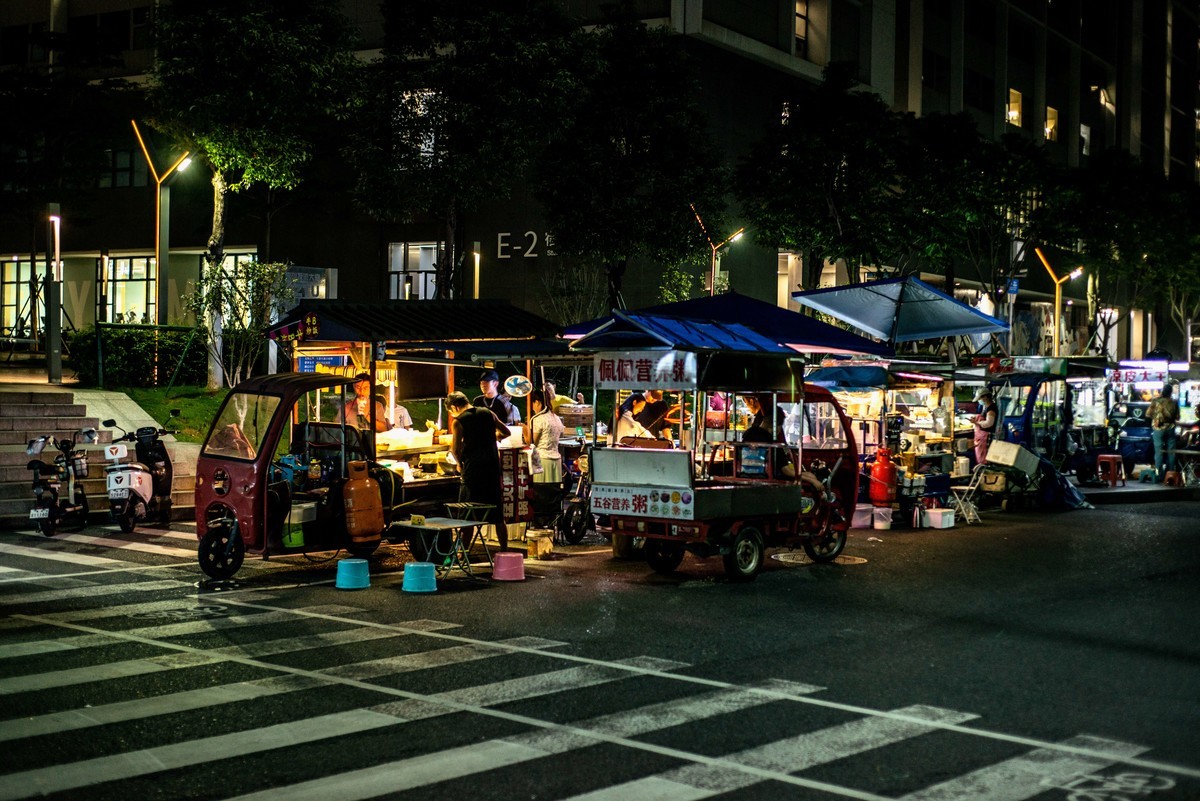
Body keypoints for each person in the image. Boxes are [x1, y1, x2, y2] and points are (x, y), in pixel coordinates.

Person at [446, 391, 512, 551]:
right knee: (497, 516)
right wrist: (491, 437)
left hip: (472, 471)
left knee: (467, 515)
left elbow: (455, 450)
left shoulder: (459, 422)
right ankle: (504, 551)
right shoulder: (488, 413)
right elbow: (506, 432)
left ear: (454, 407)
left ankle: (464, 553)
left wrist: (459, 464)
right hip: (492, 469)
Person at [528, 390, 565, 482]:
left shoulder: (538, 419)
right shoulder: (556, 418)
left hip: (542, 461)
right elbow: (561, 435)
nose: (532, 407)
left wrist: (525, 430)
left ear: (537, 402)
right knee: (554, 492)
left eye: (532, 404)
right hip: (556, 461)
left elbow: (532, 443)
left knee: (541, 492)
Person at [1148, 383, 1180, 482]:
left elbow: (1148, 414)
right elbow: (1178, 417)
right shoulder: (1174, 402)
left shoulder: (1156, 401)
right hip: (1170, 429)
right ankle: (1170, 476)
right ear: (1170, 392)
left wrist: (1157, 417)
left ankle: (1158, 475)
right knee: (1171, 452)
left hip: (1158, 429)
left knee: (1159, 452)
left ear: (1162, 391)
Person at [972, 388, 998, 466]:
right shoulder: (986, 407)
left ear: (985, 397)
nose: (979, 400)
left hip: (986, 436)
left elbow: (989, 423)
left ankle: (985, 472)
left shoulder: (991, 408)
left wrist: (976, 422)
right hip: (982, 436)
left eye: (980, 398)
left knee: (984, 458)